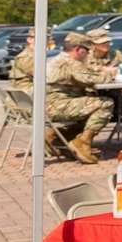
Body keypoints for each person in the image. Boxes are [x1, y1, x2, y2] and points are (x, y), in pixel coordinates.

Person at [44, 31, 114, 165]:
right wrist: (111, 75)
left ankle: (59, 138)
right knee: (106, 103)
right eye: (86, 50)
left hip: (48, 106)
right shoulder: (71, 63)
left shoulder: (57, 60)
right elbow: (91, 80)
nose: (88, 54)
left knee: (89, 105)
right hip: (56, 107)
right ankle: (83, 143)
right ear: (77, 49)